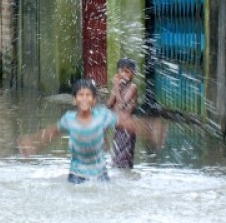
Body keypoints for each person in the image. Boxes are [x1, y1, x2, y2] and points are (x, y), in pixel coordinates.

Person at [19, 78, 166, 184]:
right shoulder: (69, 119)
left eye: (88, 95)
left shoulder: (102, 116)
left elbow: (127, 124)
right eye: (80, 95)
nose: (84, 99)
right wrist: (33, 143)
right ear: (74, 100)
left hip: (100, 175)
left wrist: (150, 130)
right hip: (76, 176)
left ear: (94, 100)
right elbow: (51, 133)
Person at [107, 58, 139, 169]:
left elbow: (122, 105)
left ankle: (126, 182)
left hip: (127, 130)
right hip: (119, 129)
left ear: (133, 74)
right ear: (118, 72)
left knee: (123, 162)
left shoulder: (132, 87)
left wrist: (116, 87)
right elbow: (109, 104)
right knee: (116, 160)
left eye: (127, 72)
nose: (124, 74)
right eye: (122, 71)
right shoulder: (118, 87)